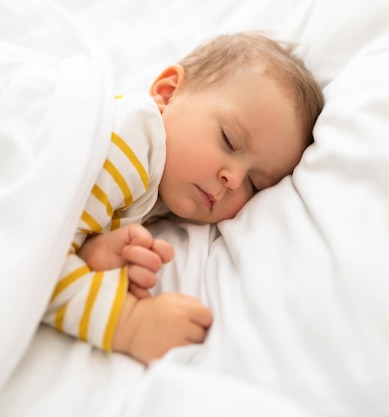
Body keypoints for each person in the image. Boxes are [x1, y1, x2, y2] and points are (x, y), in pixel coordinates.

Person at [43, 32, 324, 365]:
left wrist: (90, 249)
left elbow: (58, 232)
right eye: (229, 141)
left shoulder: (160, 185)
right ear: (168, 92)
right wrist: (128, 321)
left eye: (254, 183)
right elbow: (33, 257)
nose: (233, 180)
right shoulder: (128, 143)